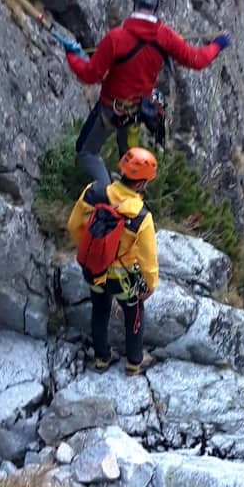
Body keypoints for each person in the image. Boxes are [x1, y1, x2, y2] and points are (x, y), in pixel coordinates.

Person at [65, 0, 232, 183]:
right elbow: (197, 60)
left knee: (86, 153)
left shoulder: (116, 38)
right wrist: (218, 45)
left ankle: (108, 194)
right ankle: (130, 201)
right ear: (157, 4)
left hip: (109, 110)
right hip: (136, 112)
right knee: (130, 164)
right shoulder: (165, 37)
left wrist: (72, 56)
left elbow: (90, 75)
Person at [67, 147, 160, 375]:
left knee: (99, 310)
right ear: (142, 184)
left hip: (94, 269)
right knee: (134, 311)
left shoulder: (94, 192)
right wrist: (150, 285)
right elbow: (148, 260)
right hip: (124, 277)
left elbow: (73, 225)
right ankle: (134, 362)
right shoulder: (141, 216)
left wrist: (92, 249)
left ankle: (101, 358)